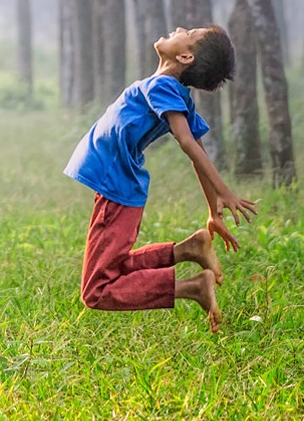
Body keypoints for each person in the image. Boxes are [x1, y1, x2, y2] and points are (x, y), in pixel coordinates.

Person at [62, 26, 256, 333]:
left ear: (185, 55)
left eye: (189, 32)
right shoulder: (170, 89)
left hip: (117, 187)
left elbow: (189, 143)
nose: (179, 28)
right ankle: (188, 250)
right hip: (117, 186)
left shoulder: (164, 86)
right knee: (114, 267)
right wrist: (212, 210)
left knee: (97, 289)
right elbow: (197, 150)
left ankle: (193, 288)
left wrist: (224, 192)